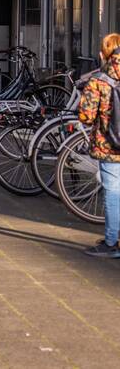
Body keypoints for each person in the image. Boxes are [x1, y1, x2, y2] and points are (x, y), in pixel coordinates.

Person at [78, 33, 120, 258]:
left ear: (105, 52)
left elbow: (85, 115)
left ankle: (111, 242)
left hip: (110, 145)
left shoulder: (100, 79)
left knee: (113, 191)